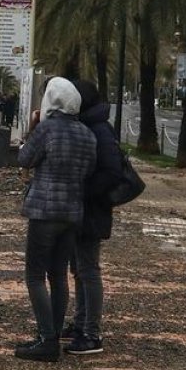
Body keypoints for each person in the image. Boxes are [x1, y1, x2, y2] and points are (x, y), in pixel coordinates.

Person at [14, 76, 97, 362]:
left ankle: (47, 338)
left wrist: (32, 128)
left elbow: (24, 158)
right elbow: (89, 171)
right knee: (59, 274)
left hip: (43, 212)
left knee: (35, 275)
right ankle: (54, 331)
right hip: (72, 214)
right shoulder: (87, 134)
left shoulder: (47, 129)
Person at [60, 80, 125, 355]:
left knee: (88, 270)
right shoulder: (89, 125)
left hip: (92, 209)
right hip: (82, 208)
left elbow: (112, 171)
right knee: (79, 268)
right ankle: (81, 322)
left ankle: (91, 333)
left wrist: (82, 191)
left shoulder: (98, 129)